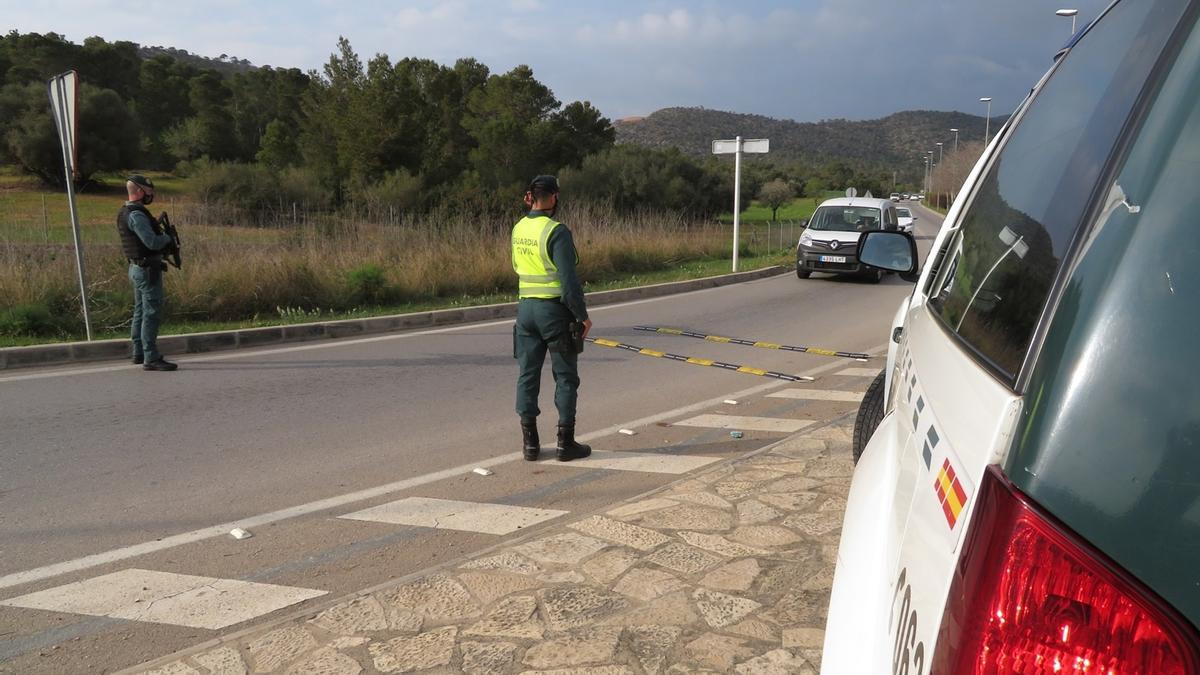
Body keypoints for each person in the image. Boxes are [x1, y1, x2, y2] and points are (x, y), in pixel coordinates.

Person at [511, 175, 592, 461]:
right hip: (554, 313)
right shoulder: (556, 231)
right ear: (555, 197)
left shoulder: (519, 227)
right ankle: (564, 443)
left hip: (526, 312)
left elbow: (517, 266)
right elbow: (569, 282)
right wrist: (582, 316)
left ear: (530, 197)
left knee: (527, 375)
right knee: (566, 377)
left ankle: (530, 445)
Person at [117, 175, 178, 371]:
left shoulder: (126, 212)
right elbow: (151, 242)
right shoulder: (137, 215)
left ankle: (139, 352)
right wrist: (167, 239)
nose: (151, 194)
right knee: (151, 312)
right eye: (148, 191)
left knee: (140, 311)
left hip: (137, 268)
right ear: (139, 191)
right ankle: (151, 357)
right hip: (146, 270)